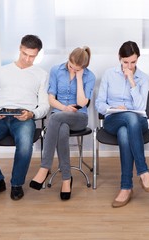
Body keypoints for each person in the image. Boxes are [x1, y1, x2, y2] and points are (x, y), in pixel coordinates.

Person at [0, 35, 50, 201]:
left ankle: (16, 184)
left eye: (32, 56)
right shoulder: (1, 71)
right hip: (0, 115)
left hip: (24, 117)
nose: (28, 59)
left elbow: (44, 105)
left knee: (25, 144)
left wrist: (32, 114)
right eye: (25, 54)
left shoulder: (41, 75)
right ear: (20, 48)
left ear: (37, 55)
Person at [95, 41, 149, 208]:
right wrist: (112, 108)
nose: (129, 66)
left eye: (133, 62)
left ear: (138, 59)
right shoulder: (109, 74)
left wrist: (132, 82)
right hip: (113, 119)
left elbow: (140, 107)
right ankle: (143, 172)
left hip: (138, 122)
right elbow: (99, 103)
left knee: (126, 129)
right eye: (125, 62)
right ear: (119, 58)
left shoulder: (143, 78)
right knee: (126, 122)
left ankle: (126, 187)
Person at [30, 47, 96, 200]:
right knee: (61, 127)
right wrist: (64, 108)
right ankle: (67, 179)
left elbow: (82, 103)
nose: (72, 69)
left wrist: (79, 78)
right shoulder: (56, 70)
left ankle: (44, 167)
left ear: (83, 68)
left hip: (79, 117)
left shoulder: (89, 76)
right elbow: (51, 99)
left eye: (77, 69)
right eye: (71, 66)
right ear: (68, 57)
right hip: (59, 116)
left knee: (54, 119)